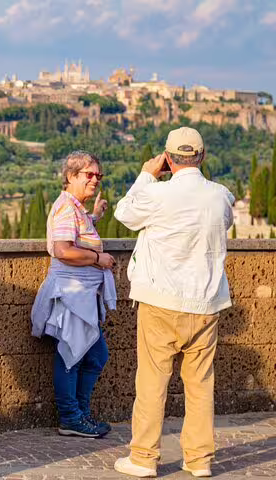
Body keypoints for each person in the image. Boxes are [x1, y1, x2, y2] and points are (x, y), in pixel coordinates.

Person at [113, 127, 235, 478]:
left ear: (168, 158)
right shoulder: (220, 196)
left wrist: (147, 176)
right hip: (206, 304)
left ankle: (144, 458)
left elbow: (124, 213)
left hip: (160, 301)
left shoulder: (158, 195)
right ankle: (199, 462)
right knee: (200, 386)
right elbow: (224, 221)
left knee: (152, 382)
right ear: (202, 156)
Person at [30, 150, 117, 439]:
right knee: (72, 356)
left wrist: (94, 217)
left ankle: (79, 414)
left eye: (98, 175)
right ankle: (71, 417)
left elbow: (74, 236)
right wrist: (97, 258)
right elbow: (63, 249)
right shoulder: (67, 207)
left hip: (80, 297)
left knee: (92, 355)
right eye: (88, 174)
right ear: (71, 176)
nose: (95, 180)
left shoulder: (75, 208)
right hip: (72, 296)